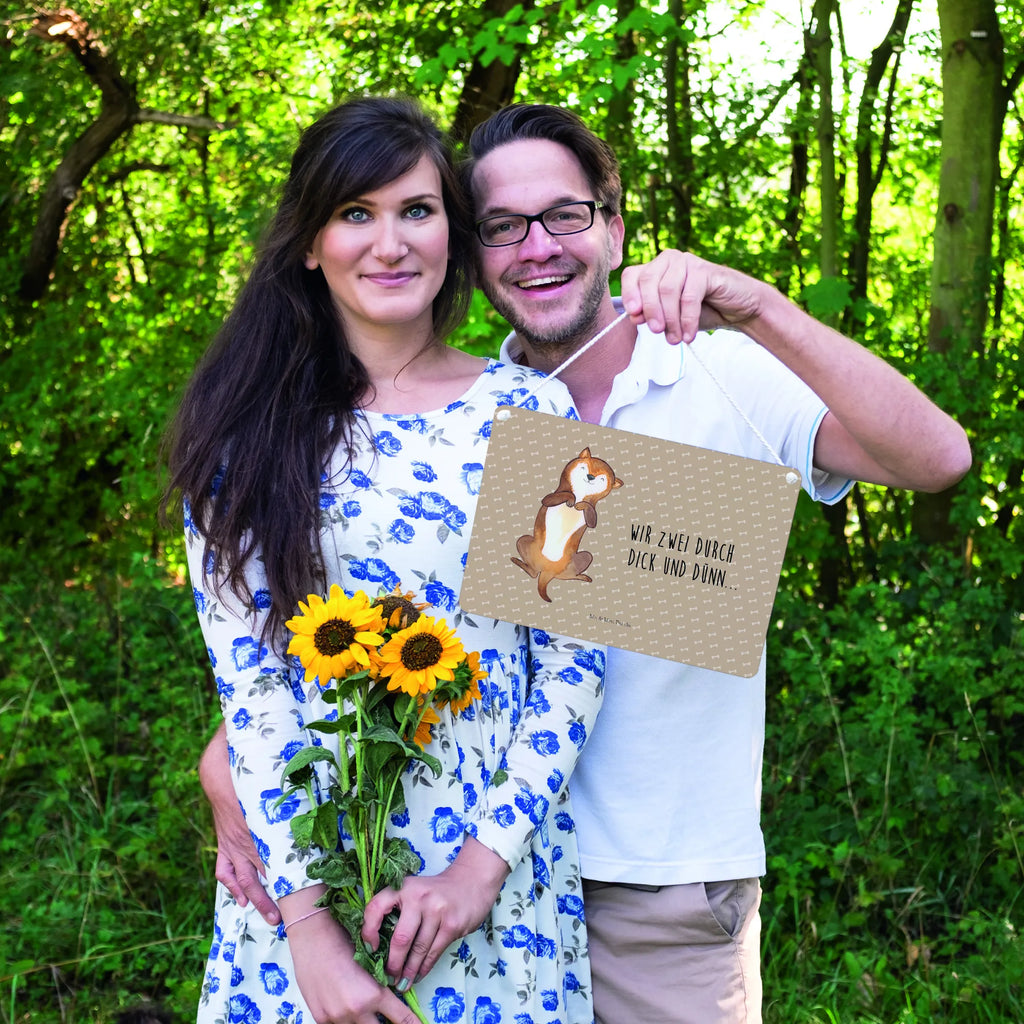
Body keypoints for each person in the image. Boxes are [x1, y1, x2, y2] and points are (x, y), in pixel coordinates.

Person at [201, 102, 972, 1024]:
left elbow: (939, 459)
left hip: (654, 887)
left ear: (614, 228)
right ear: (474, 249)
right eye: (503, 226)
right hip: (437, 873)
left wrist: (758, 306)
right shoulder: (473, 412)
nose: (537, 247)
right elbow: (345, 624)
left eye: (564, 215)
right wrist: (233, 756)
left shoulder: (706, 373)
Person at [165, 97, 608, 1024]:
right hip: (303, 884)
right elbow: (252, 689)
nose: (391, 243)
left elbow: (574, 664)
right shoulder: (245, 436)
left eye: (417, 210)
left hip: (492, 885)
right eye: (355, 213)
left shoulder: (532, 410)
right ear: (309, 243)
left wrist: (477, 873)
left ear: (453, 230)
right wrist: (310, 934)